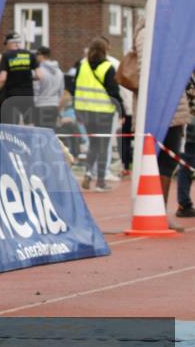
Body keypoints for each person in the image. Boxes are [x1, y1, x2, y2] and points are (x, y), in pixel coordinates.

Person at [133, 15, 191, 224]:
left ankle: (159, 212)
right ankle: (157, 214)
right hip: (162, 107)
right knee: (161, 161)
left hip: (171, 106)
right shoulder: (149, 34)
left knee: (167, 160)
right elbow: (147, 71)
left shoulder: (163, 32)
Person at [73, 37, 122, 191]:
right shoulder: (108, 67)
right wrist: (121, 110)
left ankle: (88, 173)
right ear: (105, 50)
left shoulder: (82, 65)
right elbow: (113, 92)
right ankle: (100, 181)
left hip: (85, 111)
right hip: (103, 112)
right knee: (103, 146)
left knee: (93, 144)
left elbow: (75, 87)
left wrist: (77, 111)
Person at [0, 32, 43, 125]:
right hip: (28, 95)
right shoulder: (30, 55)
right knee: (30, 124)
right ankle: (29, 139)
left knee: (10, 125)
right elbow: (39, 76)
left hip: (11, 96)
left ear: (9, 43)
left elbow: (2, 78)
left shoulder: (7, 56)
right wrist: (28, 76)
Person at [33, 46, 64, 130]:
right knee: (51, 133)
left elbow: (36, 89)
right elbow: (61, 92)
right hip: (54, 106)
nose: (36, 57)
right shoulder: (59, 72)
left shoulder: (39, 72)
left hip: (41, 106)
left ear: (41, 56)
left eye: (37, 55)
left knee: (40, 133)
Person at [176, 117, 195, 218]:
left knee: (186, 168)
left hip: (188, 132)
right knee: (186, 168)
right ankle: (184, 204)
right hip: (190, 134)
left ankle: (184, 204)